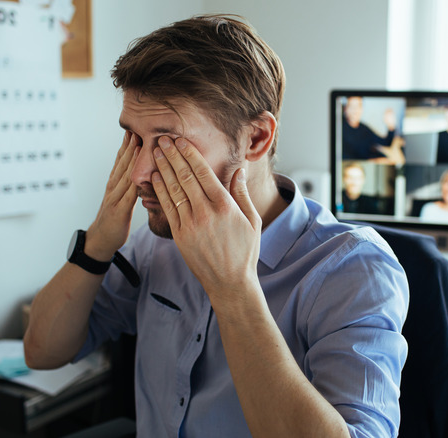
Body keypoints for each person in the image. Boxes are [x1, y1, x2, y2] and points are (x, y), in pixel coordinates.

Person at [23, 14, 408, 438]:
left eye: (169, 143)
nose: (138, 173)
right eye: (134, 139)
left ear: (255, 140)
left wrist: (233, 290)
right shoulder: (156, 243)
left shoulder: (353, 270)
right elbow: (42, 351)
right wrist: (98, 242)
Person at [342, 96, 403, 162]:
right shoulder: (340, 129)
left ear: (362, 109)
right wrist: (372, 161)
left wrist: (390, 127)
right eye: (351, 106)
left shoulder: (364, 128)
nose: (355, 110)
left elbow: (386, 143)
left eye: (358, 106)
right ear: (345, 109)